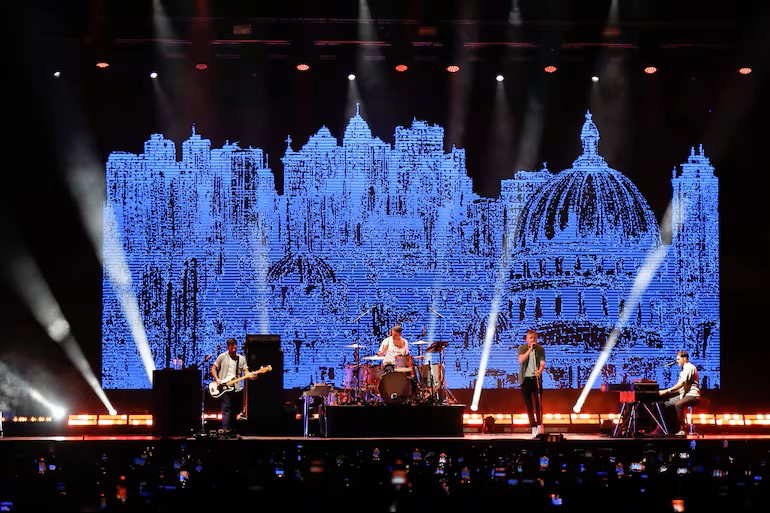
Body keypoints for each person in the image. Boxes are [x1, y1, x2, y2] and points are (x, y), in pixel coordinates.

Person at [210, 337, 256, 437]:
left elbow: (246, 372)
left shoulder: (241, 358)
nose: (234, 349)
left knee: (235, 410)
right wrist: (217, 379)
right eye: (232, 348)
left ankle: (232, 431)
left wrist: (252, 376)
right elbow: (213, 369)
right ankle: (225, 430)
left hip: (237, 388)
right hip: (225, 387)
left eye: (235, 347)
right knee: (226, 409)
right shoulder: (222, 356)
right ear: (228, 347)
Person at [655, 350, 700, 436]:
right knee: (665, 404)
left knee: (678, 404)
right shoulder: (683, 369)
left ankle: (682, 429)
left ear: (685, 359)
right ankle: (663, 428)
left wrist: (667, 390)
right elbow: (681, 388)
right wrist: (666, 393)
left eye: (678, 359)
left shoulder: (689, 367)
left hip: (692, 395)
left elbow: (681, 384)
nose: (677, 361)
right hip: (684, 395)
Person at [518, 329, 546, 438]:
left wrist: (540, 370)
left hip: (536, 379)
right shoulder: (522, 348)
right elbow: (521, 360)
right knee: (529, 405)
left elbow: (542, 363)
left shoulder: (540, 349)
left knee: (538, 404)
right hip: (525, 380)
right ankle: (533, 427)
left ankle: (539, 426)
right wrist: (530, 350)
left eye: (534, 338)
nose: (533, 339)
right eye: (531, 338)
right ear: (527, 339)